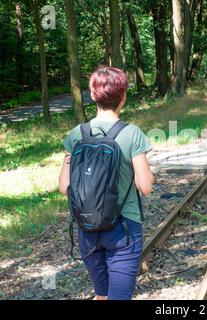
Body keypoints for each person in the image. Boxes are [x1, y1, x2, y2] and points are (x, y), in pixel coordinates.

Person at [58, 66, 154, 300]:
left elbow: (63, 186)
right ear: (123, 96)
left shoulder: (76, 134)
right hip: (123, 228)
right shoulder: (132, 134)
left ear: (92, 95)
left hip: (87, 228)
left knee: (101, 295)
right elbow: (145, 186)